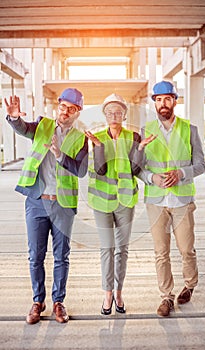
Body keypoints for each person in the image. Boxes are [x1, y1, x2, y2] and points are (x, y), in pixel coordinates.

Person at [4, 88, 88, 324]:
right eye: (63, 106)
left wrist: (60, 155)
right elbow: (23, 128)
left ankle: (58, 303)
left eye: (72, 109)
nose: (66, 112)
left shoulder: (82, 138)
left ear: (77, 112)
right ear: (58, 106)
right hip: (37, 202)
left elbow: (81, 171)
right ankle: (37, 301)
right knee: (35, 256)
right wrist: (13, 117)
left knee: (62, 256)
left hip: (62, 205)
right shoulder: (42, 125)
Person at [138, 80, 205, 317]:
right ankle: (166, 297)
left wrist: (182, 174)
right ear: (154, 103)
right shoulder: (145, 131)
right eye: (158, 99)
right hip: (156, 201)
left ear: (175, 101)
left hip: (182, 201)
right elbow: (137, 167)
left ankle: (189, 284)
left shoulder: (190, 129)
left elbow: (201, 165)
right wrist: (151, 178)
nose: (163, 103)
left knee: (186, 249)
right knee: (161, 252)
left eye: (167, 99)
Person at [85, 93, 155, 315]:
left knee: (122, 249)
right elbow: (101, 169)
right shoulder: (96, 137)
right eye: (109, 112)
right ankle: (107, 292)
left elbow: (135, 170)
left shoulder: (133, 136)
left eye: (118, 112)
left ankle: (119, 292)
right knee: (107, 247)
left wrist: (141, 148)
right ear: (104, 115)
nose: (114, 115)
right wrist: (97, 147)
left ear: (124, 114)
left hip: (125, 200)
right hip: (102, 201)